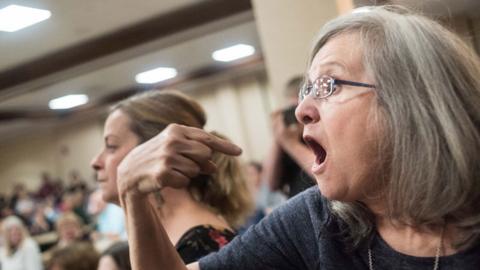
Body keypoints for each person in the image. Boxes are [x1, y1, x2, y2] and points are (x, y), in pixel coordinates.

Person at [114, 5, 480, 270]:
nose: (303, 108)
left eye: (328, 85)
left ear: (412, 99)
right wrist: (132, 192)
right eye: (307, 89)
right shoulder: (317, 220)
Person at [90, 90, 253, 264]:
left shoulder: (202, 246)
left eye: (112, 146)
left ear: (160, 151)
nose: (95, 162)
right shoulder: (161, 241)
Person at [263, 76, 315, 198]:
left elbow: (328, 174)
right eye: (293, 109)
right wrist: (278, 137)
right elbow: (271, 184)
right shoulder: (290, 137)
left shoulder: (324, 130)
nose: (299, 113)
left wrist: (291, 144)